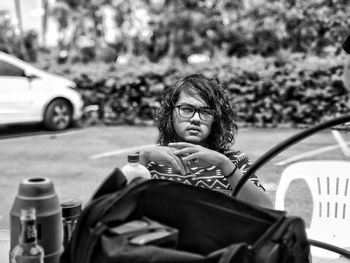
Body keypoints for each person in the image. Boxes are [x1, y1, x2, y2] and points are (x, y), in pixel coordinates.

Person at [139, 74, 273, 208]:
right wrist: (143, 158)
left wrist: (224, 164)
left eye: (205, 112)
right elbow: (119, 204)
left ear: (216, 119)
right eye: (186, 109)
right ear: (170, 113)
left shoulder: (234, 160)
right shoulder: (152, 161)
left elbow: (266, 208)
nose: (196, 119)